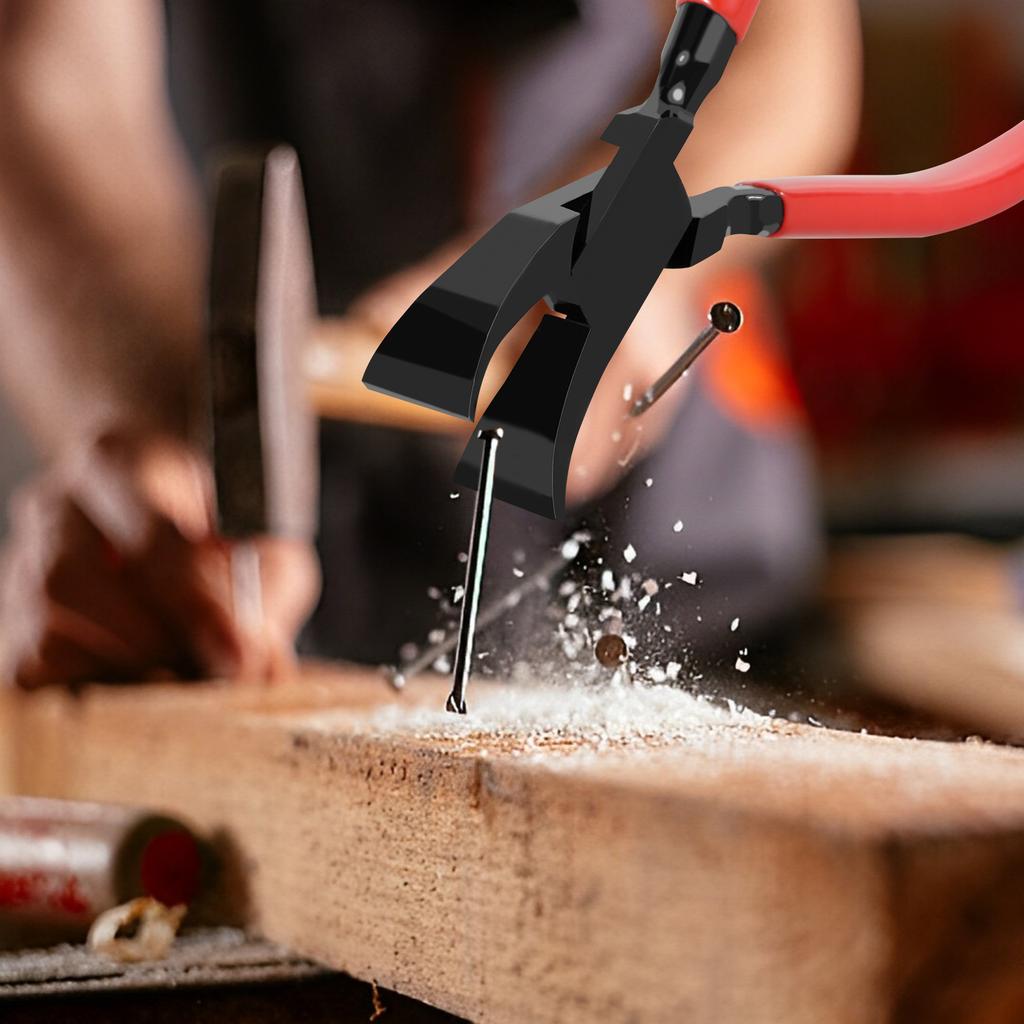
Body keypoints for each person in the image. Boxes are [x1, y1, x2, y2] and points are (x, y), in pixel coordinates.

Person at [0, 0, 861, 687]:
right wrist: (179, 445)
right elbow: (42, 68)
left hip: (691, 582)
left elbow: (783, 29)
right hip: (301, 624)